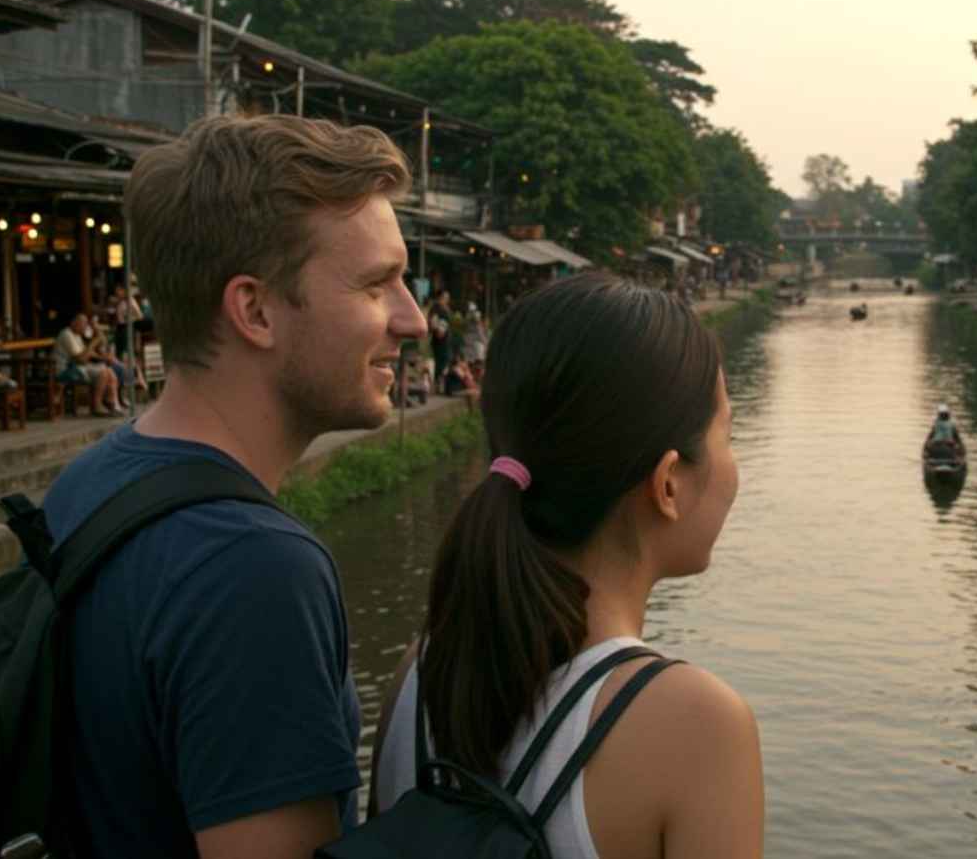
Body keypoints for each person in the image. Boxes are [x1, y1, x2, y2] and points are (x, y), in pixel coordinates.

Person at [40, 115, 426, 858]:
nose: (411, 321)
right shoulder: (253, 570)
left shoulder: (92, 481)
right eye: (378, 285)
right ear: (254, 309)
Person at [371, 273, 763, 858]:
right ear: (668, 484)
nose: (734, 467)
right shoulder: (698, 724)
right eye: (728, 435)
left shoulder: (419, 674)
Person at [54, 312, 123, 416]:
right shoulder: (66, 334)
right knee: (103, 373)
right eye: (83, 323)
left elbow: (87, 354)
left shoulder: (77, 336)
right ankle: (97, 406)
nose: (85, 326)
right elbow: (81, 359)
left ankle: (112, 403)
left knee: (109, 372)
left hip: (77, 367)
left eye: (86, 323)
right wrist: (94, 342)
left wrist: (104, 357)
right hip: (65, 370)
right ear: (73, 323)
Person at [427, 289, 454, 392]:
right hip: (440, 339)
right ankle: (437, 385)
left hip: (445, 338)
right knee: (441, 362)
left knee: (444, 361)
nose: (447, 300)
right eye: (445, 297)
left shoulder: (443, 308)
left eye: (447, 298)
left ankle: (439, 385)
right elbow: (433, 322)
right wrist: (438, 331)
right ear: (439, 297)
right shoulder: (436, 309)